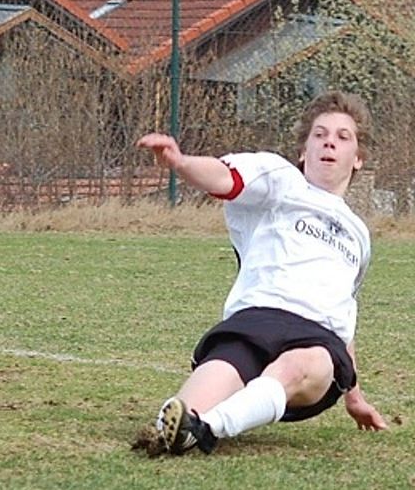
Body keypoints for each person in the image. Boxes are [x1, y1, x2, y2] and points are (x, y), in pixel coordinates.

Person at [135, 90, 387, 455]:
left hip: (316, 343)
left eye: (342, 137)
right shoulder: (281, 181)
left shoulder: (358, 235)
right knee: (173, 422)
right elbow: (225, 178)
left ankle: (212, 427)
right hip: (254, 324)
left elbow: (343, 317)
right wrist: (181, 162)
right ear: (303, 151)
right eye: (319, 134)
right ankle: (193, 425)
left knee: (305, 362)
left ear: (358, 158)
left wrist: (355, 398)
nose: (329, 142)